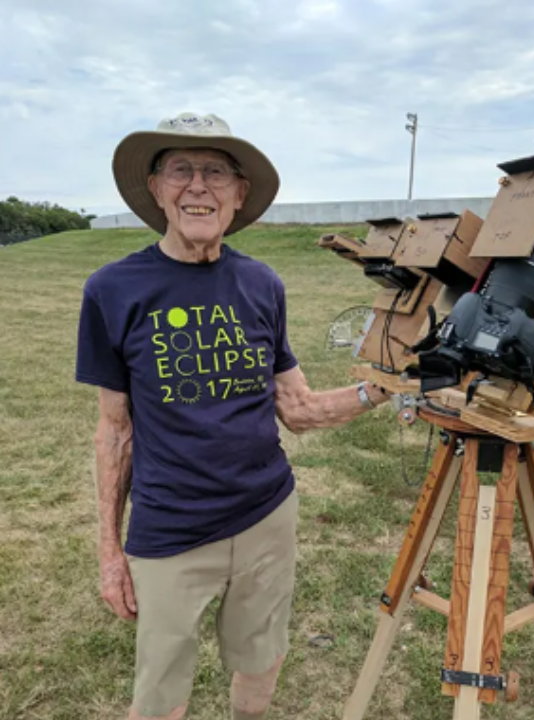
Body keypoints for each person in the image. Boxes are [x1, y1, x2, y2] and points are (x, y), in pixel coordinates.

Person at [76, 112, 391, 720]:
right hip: (170, 529)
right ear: (156, 188)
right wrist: (110, 552)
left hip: (266, 515)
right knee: (160, 694)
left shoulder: (260, 283)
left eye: (216, 172)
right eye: (181, 170)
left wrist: (384, 389)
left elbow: (297, 408)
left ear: (240, 193)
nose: (198, 186)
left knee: (261, 660)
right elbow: (114, 432)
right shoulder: (112, 290)